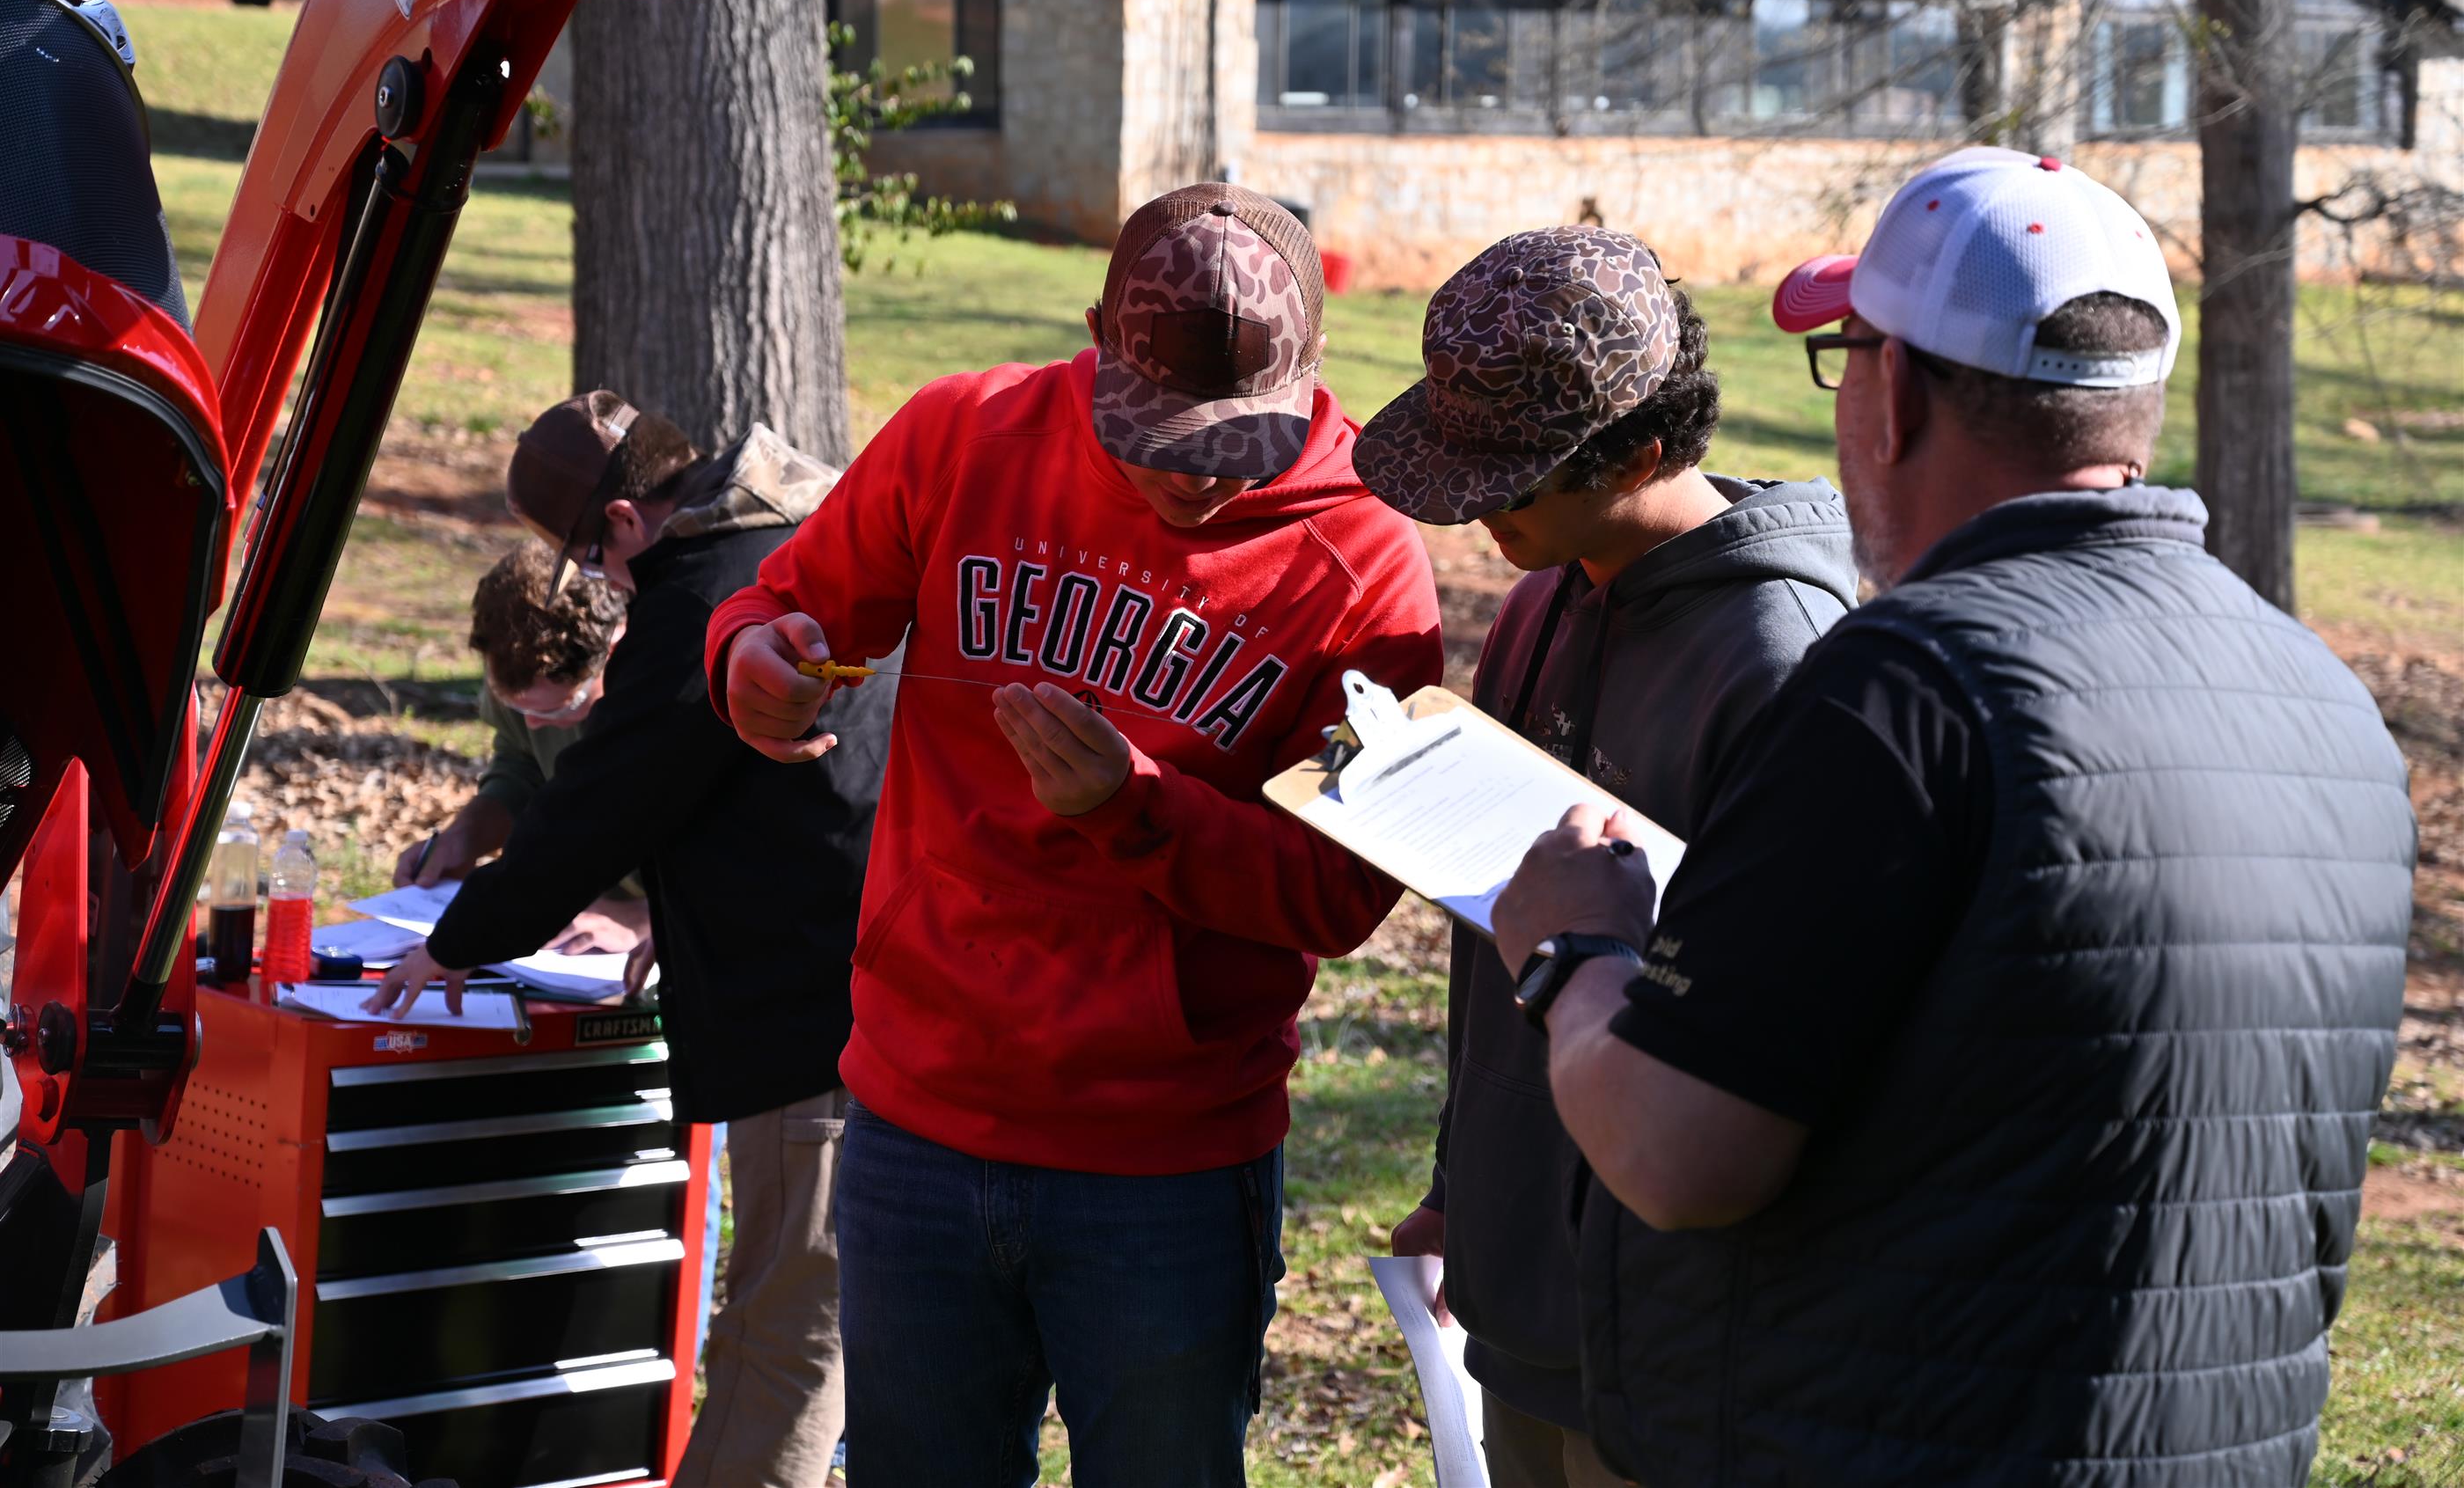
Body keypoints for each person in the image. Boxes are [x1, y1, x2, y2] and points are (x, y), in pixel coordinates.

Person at [1483, 147, 2416, 1487]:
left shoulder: (1909, 690)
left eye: (1846, 355)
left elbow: (1678, 1155)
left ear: (1898, 392)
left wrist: (1577, 951)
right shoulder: (2322, 701)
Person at [707, 183, 1443, 1487]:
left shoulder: (1365, 568)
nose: (1191, 474)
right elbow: (785, 609)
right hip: (917, 1117)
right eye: (1156, 433)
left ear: (1313, 371)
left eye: (1237, 442)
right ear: (1097, 337)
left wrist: (1135, 812)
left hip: (1165, 1163)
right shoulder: (965, 435)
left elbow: (1340, 894)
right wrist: (752, 666)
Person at [1350, 227, 1855, 1488]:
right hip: (1520, 1283)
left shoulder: (1780, 663)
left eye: (1509, 484)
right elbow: (1502, 940)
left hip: (1677, 1336)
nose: (1478, 516)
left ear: (1636, 453)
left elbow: (1783, 1032)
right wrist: (1464, 1183)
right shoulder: (1542, 599)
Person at [370, 395, 891, 1488]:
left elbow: (609, 796)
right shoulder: (807, 540)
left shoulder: (704, 591)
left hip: (814, 1010)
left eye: (591, 562)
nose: (603, 584)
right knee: (801, 1313)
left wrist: (455, 942)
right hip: (859, 975)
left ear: (619, 519)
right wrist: (682, 912)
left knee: (784, 1328)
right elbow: (733, 785)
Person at [391, 543, 651, 954]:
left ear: (613, 650)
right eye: (515, 706)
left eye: (559, 708)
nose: (533, 724)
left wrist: (649, 917)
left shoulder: (684, 696)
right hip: (586, 920)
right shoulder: (517, 670)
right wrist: (467, 834)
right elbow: (524, 765)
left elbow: (747, 837)